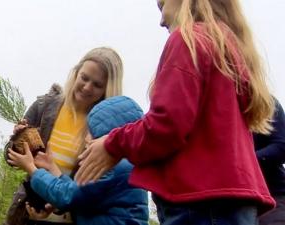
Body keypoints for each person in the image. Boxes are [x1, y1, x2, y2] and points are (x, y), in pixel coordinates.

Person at [75, 0, 276, 224]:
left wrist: (113, 144)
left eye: (162, 6)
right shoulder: (232, 50)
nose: (161, 21)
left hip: (199, 202)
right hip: (234, 202)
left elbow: (166, 124)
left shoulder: (188, 40)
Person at [3, 47, 124, 225]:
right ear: (75, 73)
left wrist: (58, 205)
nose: (87, 87)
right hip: (25, 214)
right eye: (84, 77)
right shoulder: (45, 106)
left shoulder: (103, 130)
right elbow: (9, 157)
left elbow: (92, 191)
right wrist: (18, 140)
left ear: (108, 89)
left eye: (97, 85)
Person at [7, 95, 149, 225]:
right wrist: (53, 168)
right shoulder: (125, 165)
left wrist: (32, 169)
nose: (86, 138)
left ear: (108, 137)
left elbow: (68, 195)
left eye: (91, 133)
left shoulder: (115, 166)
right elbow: (82, 194)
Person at [254, 98, 285, 225]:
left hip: (273, 195)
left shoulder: (265, 101)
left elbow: (282, 146)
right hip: (228, 201)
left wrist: (245, 161)